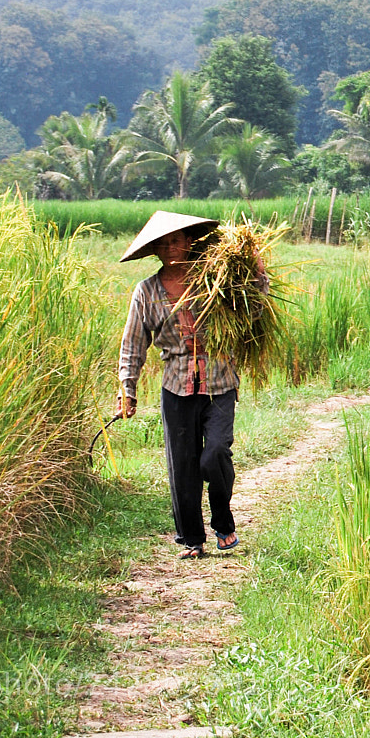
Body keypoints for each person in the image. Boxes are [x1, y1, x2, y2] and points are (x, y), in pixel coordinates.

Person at [116, 211, 240, 559]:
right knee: (182, 465)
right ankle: (191, 539)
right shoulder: (147, 292)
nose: (171, 247)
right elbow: (133, 343)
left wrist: (257, 271)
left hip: (220, 381)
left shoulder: (215, 280)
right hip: (176, 386)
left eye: (178, 239)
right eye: (164, 242)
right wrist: (128, 388)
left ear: (189, 242)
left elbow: (253, 306)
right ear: (154, 249)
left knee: (215, 453)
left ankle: (223, 522)